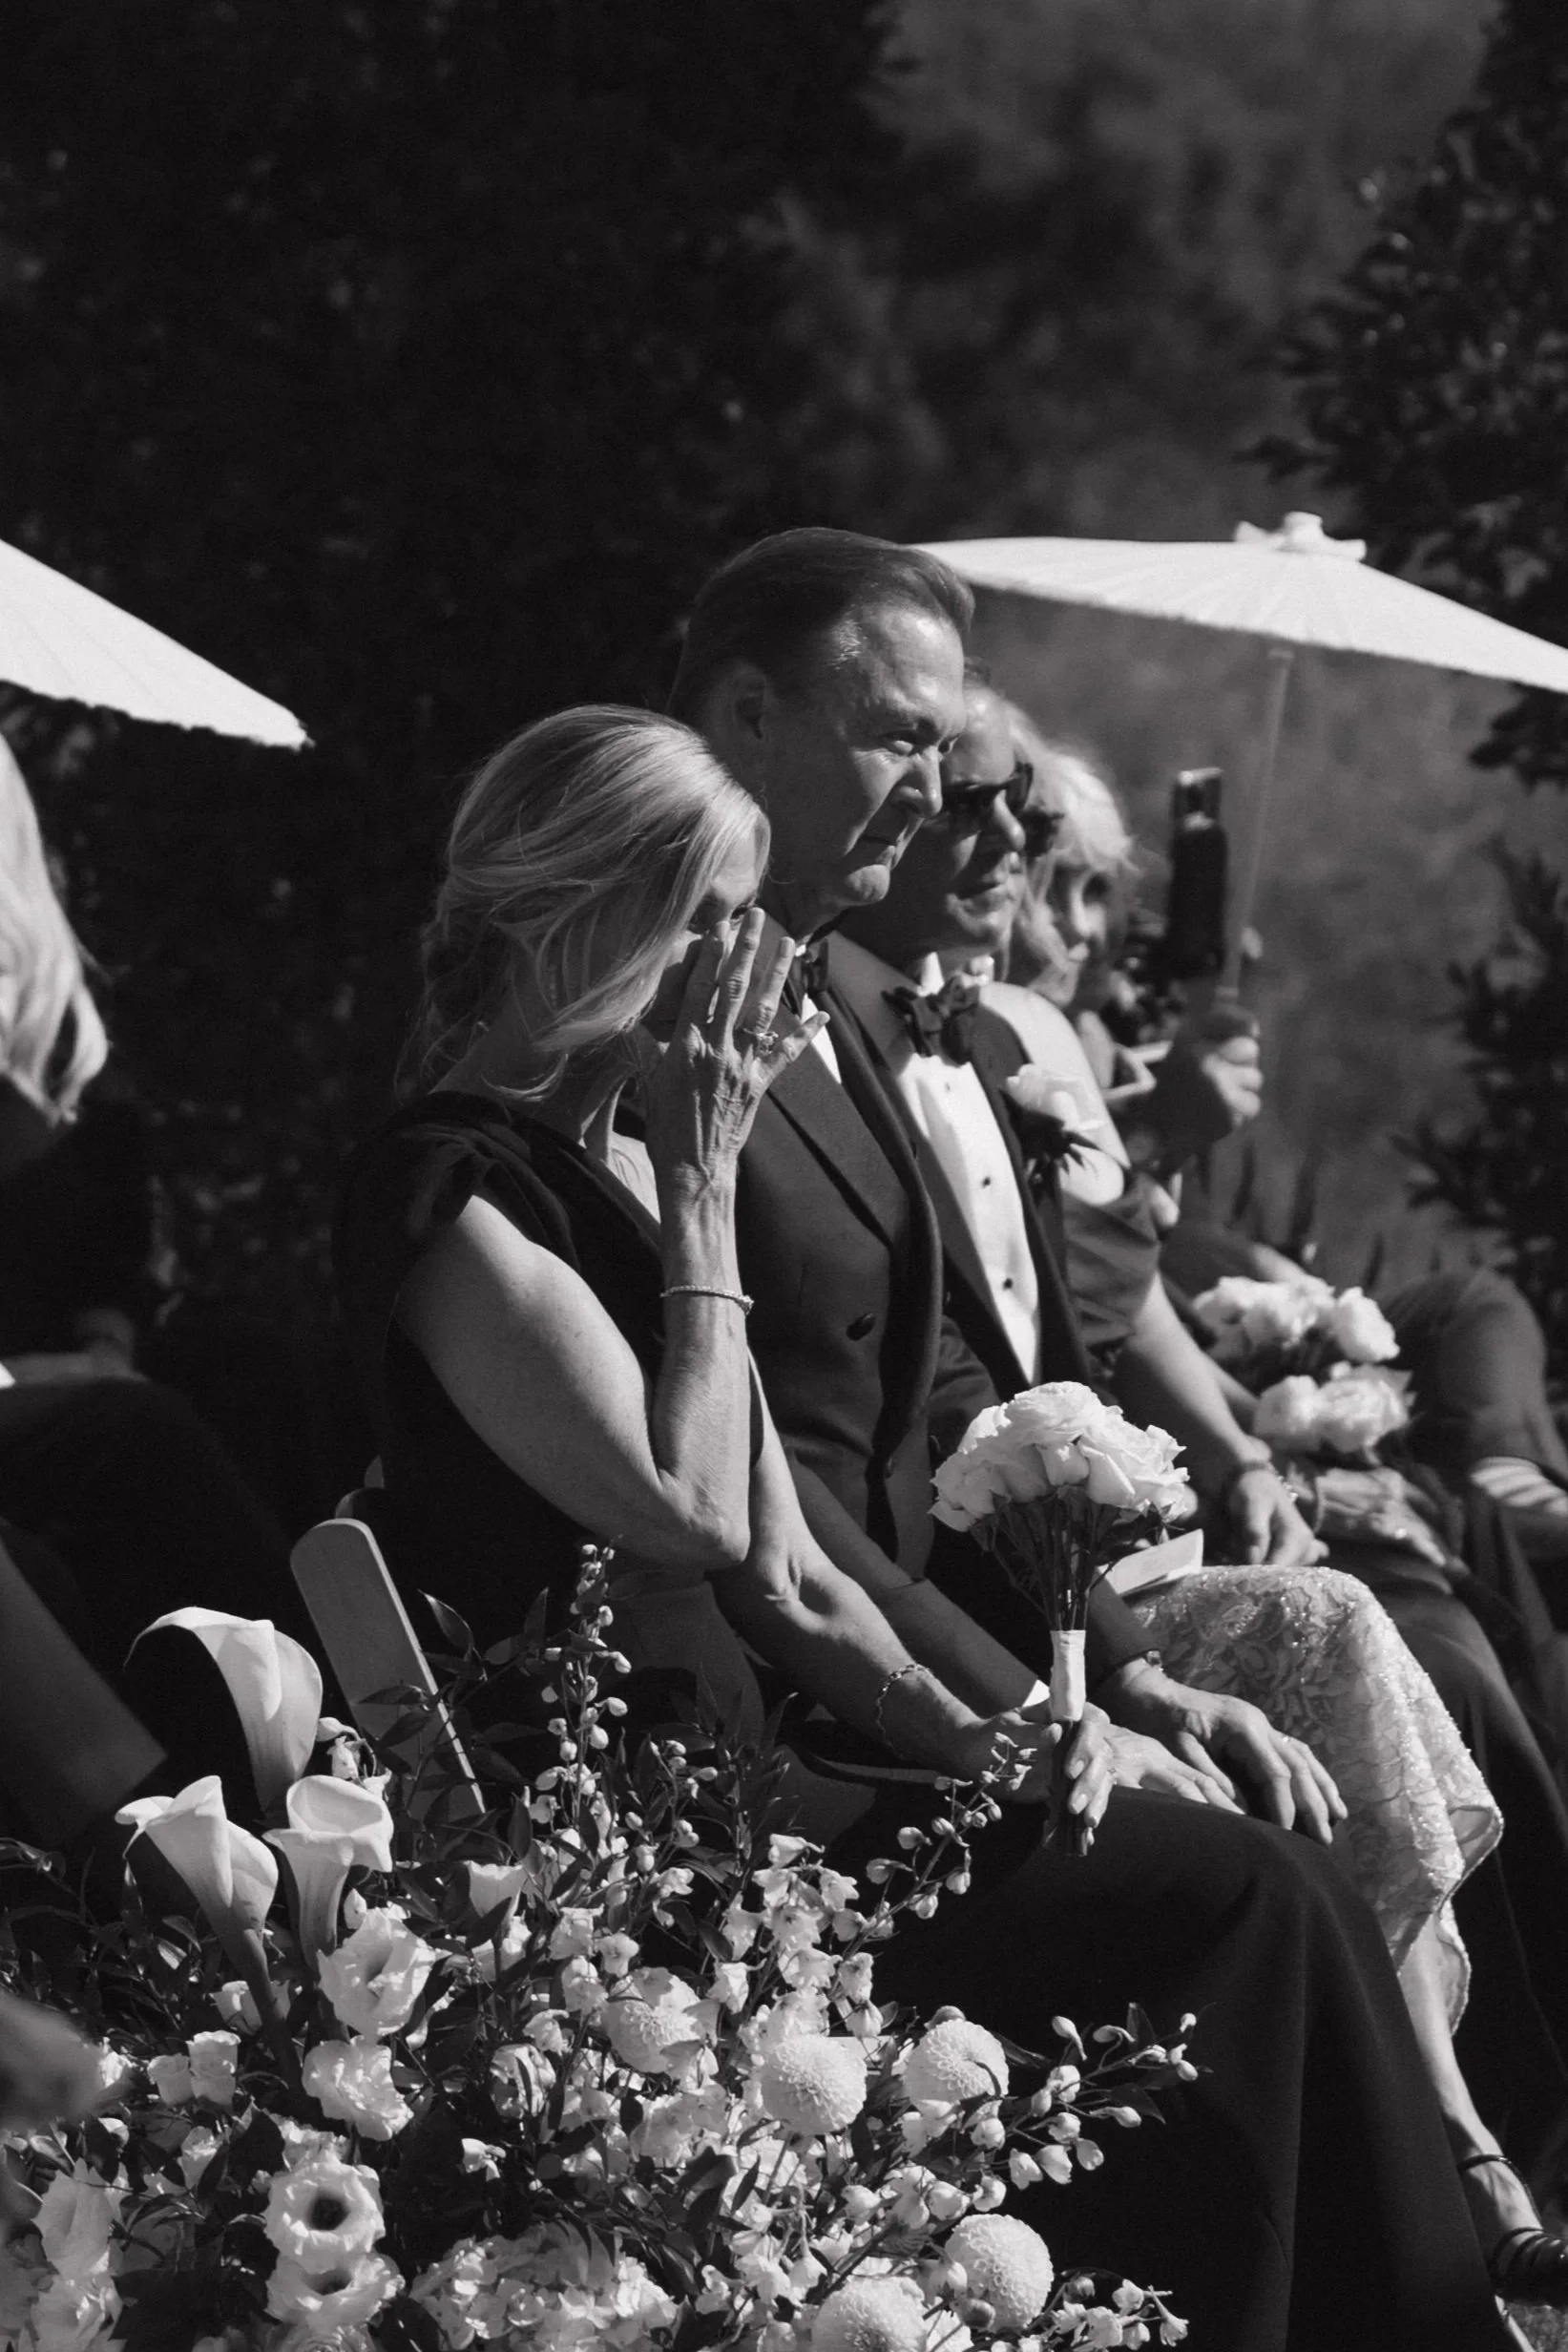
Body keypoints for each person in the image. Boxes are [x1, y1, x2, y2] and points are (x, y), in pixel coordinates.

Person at [337, 696, 1512, 2349]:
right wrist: (701, 1189)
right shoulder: (449, 1182)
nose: (748, 976)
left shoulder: (603, 1161)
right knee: (1230, 1902)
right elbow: (677, 1512)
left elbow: (802, 1567)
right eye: (716, 923)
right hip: (641, 1825)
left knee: (1266, 1867)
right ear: (603, 919)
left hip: (765, 1754)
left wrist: (1007, 1735)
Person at [831, 665, 1562, 2261]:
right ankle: (1453, 2139)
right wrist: (1087, 1644)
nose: (1032, 859)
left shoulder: (995, 1034)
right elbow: (930, 1390)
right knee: (1360, 1628)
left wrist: (1235, 1446)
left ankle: (1467, 2120)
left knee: (1407, 1610)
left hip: (1097, 1538)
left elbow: (1090, 1303)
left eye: (1059, 843)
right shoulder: (866, 1042)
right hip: (999, 1591)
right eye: (999, 812)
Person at [0, 743, 309, 1674]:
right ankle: (312, 1716)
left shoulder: (51, 1043)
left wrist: (105, 1341)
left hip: (61, 1363)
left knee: (256, 1372)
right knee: (137, 1433)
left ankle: (343, 1668)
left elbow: (101, 1240)